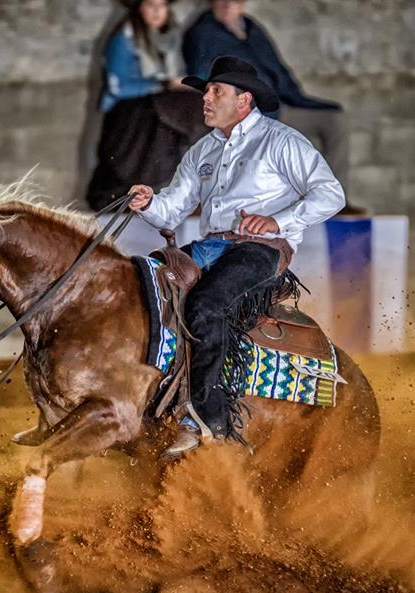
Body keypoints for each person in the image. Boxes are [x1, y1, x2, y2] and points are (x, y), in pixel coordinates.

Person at [128, 56, 345, 456]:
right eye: (206, 91)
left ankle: (208, 419)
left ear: (244, 100)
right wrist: (147, 203)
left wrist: (277, 222)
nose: (205, 99)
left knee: (209, 304)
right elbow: (173, 208)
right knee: (141, 285)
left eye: (215, 92)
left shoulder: (282, 142)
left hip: (261, 249)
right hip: (212, 246)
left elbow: (330, 194)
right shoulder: (203, 151)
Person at [182, 0, 363, 213]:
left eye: (235, 0)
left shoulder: (251, 28)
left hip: (279, 105)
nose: (228, 5)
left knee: (335, 119)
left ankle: (332, 200)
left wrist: (297, 97)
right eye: (222, 0)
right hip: (246, 111)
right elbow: (202, 74)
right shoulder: (203, 33)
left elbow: (279, 69)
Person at [86, 0, 208, 210]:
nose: (157, 12)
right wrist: (161, 84)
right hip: (130, 111)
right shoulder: (123, 40)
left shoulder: (170, 39)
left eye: (161, 6)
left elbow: (177, 74)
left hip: (158, 105)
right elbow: (118, 86)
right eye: (151, 5)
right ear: (139, 8)